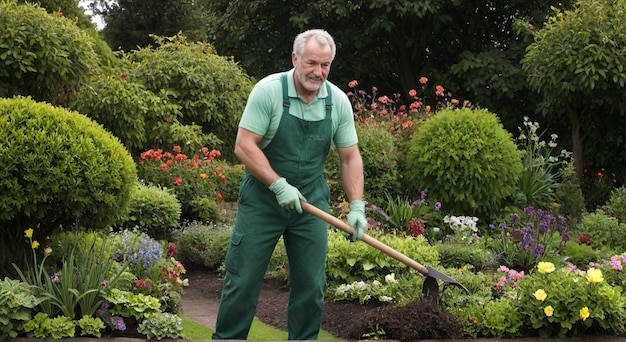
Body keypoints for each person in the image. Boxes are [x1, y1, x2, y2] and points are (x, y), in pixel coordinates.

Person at [211, 29, 367, 340]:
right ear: (295, 58)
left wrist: (357, 206)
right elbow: (244, 146)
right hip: (262, 200)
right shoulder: (268, 91)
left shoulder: (337, 101)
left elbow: (350, 158)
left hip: (310, 203)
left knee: (311, 287)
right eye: (311, 63)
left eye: (325, 65)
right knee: (242, 281)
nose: (317, 72)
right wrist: (278, 184)